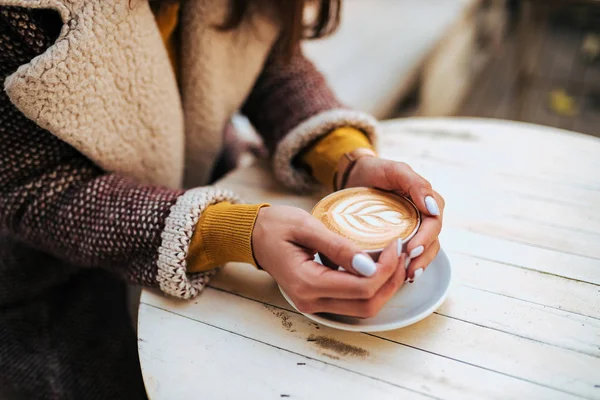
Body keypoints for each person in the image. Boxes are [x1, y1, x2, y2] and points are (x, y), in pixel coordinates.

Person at [0, 0, 444, 398]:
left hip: (209, 177)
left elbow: (267, 60)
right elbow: (36, 189)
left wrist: (343, 157)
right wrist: (230, 231)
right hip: (52, 286)